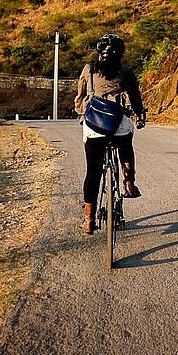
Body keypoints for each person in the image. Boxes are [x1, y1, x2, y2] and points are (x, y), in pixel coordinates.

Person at [74, 33, 146, 234]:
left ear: (99, 52)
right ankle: (129, 181)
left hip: (95, 124)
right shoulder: (126, 71)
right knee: (126, 146)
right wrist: (139, 115)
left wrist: (82, 115)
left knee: (93, 171)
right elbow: (135, 98)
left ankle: (88, 219)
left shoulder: (88, 70)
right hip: (118, 122)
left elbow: (80, 96)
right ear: (121, 53)